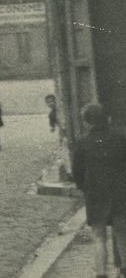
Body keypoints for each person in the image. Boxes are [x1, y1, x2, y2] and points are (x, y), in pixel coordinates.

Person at [72, 103, 126, 278]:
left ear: (87, 122)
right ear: (107, 119)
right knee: (122, 234)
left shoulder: (82, 143)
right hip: (120, 192)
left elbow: (77, 172)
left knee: (98, 235)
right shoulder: (120, 139)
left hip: (96, 194)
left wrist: (82, 188)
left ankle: (101, 273)